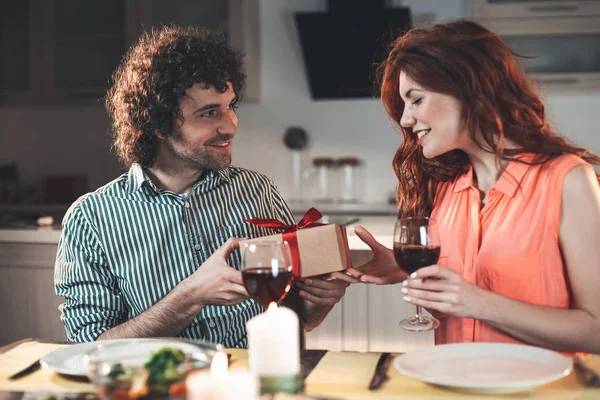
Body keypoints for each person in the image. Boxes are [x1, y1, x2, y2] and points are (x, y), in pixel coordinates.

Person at [54, 25, 357, 346]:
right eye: (209, 112)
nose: (230, 126)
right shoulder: (91, 219)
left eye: (231, 106)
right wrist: (191, 295)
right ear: (158, 122)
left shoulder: (256, 191)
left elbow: (293, 317)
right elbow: (90, 348)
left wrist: (316, 303)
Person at [355, 19, 600, 354]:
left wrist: (478, 302)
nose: (405, 120)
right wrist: (404, 269)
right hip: (453, 383)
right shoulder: (444, 189)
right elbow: (457, 306)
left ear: (467, 87)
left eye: (416, 99)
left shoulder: (568, 181)